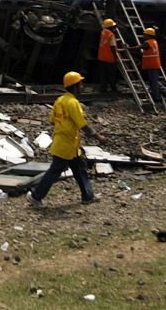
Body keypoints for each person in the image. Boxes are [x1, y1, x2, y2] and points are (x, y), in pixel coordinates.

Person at [27, 72, 106, 207]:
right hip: (67, 144)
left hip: (64, 142)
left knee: (80, 169)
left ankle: (88, 196)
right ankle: (36, 196)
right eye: (80, 84)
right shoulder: (73, 103)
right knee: (54, 171)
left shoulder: (59, 100)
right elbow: (82, 124)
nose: (82, 86)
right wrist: (98, 136)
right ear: (75, 86)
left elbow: (53, 120)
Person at [137, 27, 163, 102]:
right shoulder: (154, 41)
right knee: (154, 80)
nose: (143, 36)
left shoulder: (148, 42)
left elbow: (140, 47)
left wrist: (128, 48)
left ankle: (157, 97)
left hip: (151, 65)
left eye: (145, 35)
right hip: (154, 64)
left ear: (149, 35)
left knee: (153, 82)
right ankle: (164, 91)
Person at [98, 19, 119, 93]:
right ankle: (114, 89)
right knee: (111, 75)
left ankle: (103, 89)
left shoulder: (103, 32)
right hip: (109, 58)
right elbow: (112, 46)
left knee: (103, 75)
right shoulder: (111, 34)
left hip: (102, 57)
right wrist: (115, 57)